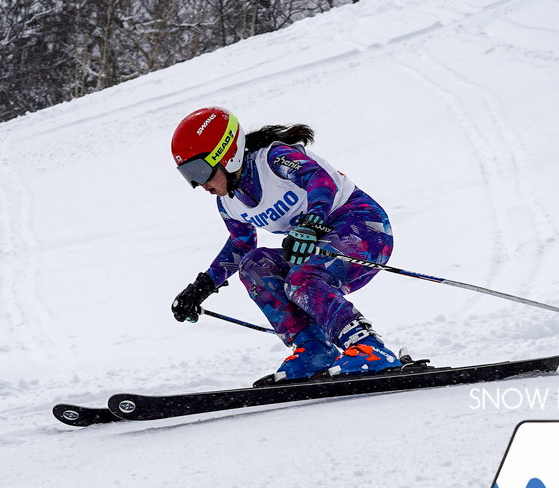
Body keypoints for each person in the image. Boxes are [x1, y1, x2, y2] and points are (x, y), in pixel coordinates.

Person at [168, 106, 402, 382]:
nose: (198, 183)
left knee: (302, 278)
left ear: (227, 156)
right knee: (255, 265)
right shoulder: (229, 202)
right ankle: (314, 350)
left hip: (365, 229)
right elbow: (240, 245)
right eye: (188, 175)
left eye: (199, 170)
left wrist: (310, 225)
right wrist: (202, 286)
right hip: (318, 242)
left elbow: (320, 181)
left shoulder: (274, 160)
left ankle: (371, 349)